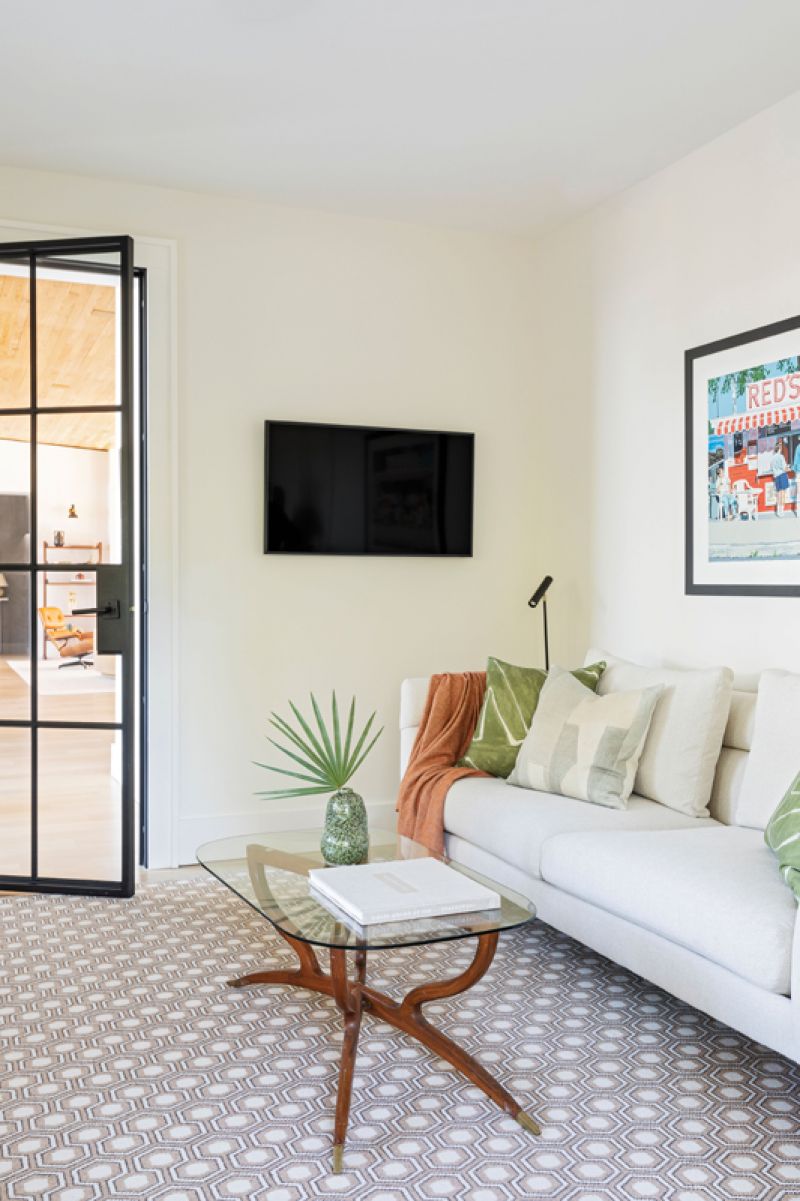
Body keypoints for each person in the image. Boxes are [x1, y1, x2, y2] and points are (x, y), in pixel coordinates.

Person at [770, 440, 789, 517]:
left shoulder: (772, 458)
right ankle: (782, 511)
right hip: (782, 475)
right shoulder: (781, 456)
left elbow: (772, 469)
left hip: (776, 477)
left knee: (778, 494)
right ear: (780, 448)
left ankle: (778, 511)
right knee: (783, 494)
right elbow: (784, 468)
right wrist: (788, 468)